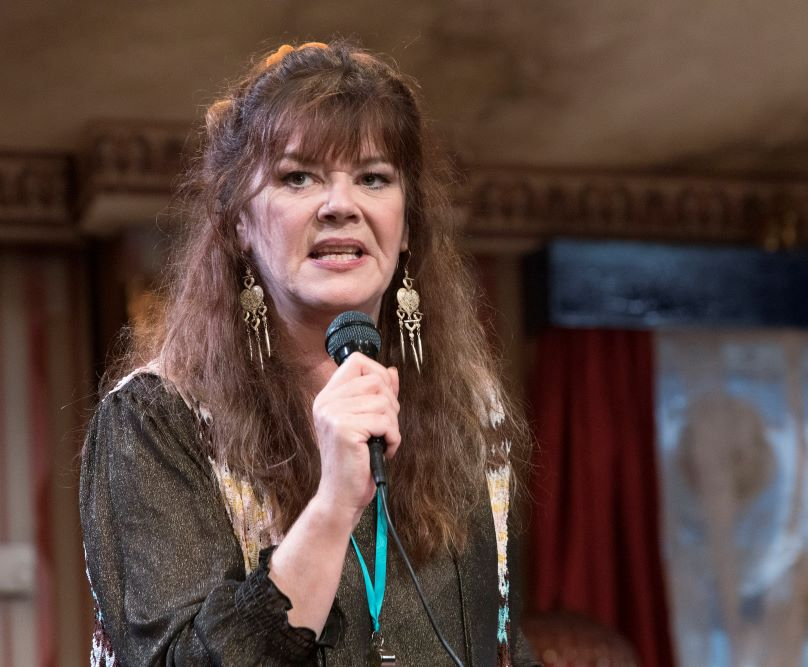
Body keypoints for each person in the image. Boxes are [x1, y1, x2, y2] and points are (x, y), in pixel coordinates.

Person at [80, 39, 537, 666]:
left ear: (407, 226)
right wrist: (331, 506)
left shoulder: (466, 411)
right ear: (240, 221)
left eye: (373, 177)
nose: (340, 205)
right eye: (299, 177)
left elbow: (498, 645)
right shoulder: (158, 421)